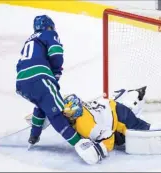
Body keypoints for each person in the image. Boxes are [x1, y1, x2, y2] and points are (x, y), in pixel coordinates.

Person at [26, 86, 161, 165]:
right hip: (110, 106)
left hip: (119, 117)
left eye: (66, 114)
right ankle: (133, 96)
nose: (63, 115)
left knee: (146, 131)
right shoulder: (76, 107)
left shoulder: (84, 126)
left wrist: (100, 151)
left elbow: (107, 136)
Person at [16, 15, 102, 158]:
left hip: (21, 82)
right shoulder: (48, 34)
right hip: (39, 77)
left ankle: (34, 136)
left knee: (43, 105)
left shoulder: (30, 39)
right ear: (49, 26)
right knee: (56, 113)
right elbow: (56, 53)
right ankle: (80, 143)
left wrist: (35, 135)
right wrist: (55, 71)